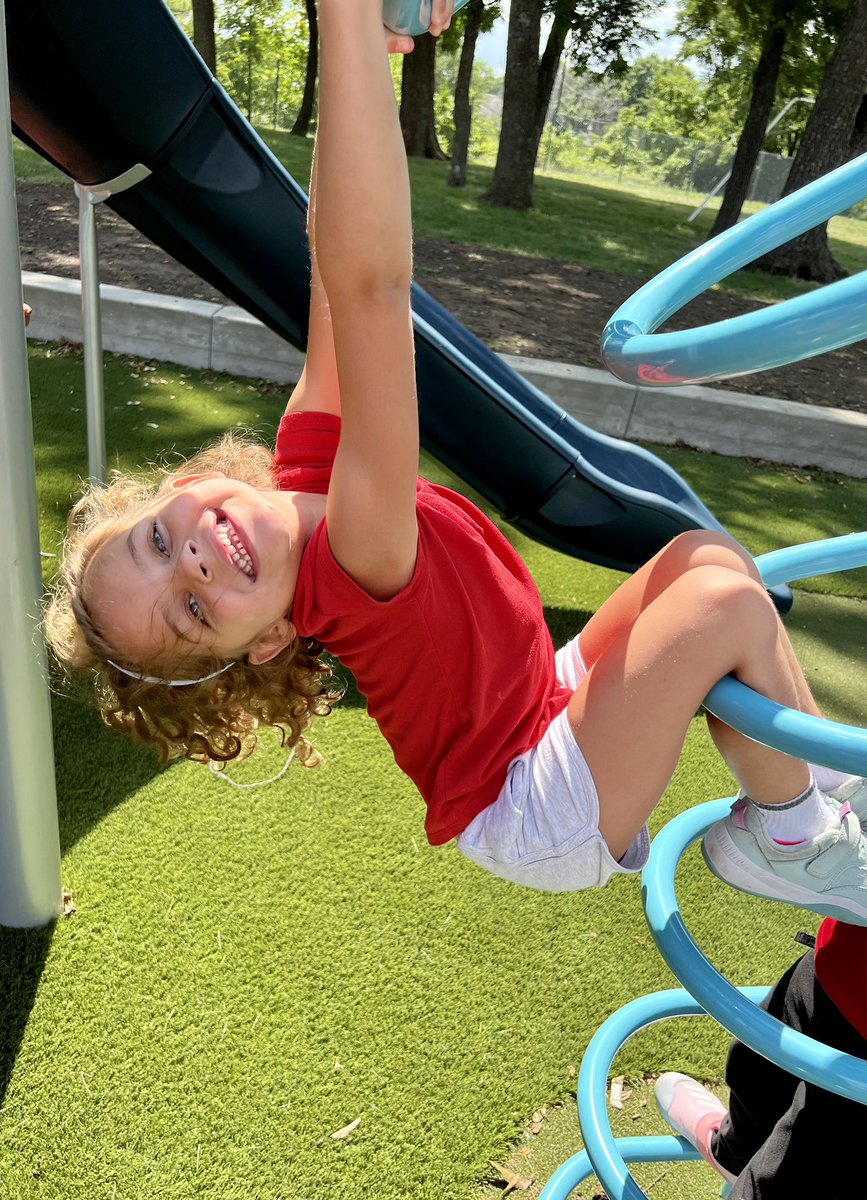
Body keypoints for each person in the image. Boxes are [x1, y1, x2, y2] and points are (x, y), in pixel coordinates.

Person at [44, 0, 867, 919]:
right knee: (717, 605)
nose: (190, 564)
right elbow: (371, 291)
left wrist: (368, 59)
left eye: (159, 542)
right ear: (268, 639)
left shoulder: (306, 462)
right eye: (194, 611)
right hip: (529, 804)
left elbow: (326, 265)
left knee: (702, 558)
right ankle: (789, 839)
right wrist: (342, 16)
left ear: (191, 488)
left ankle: (828, 787)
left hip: (534, 701)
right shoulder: (354, 555)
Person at [656, 847, 867, 1199]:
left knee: (794, 1176)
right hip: (837, 964)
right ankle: (734, 1150)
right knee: (755, 1071)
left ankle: (745, 1168)